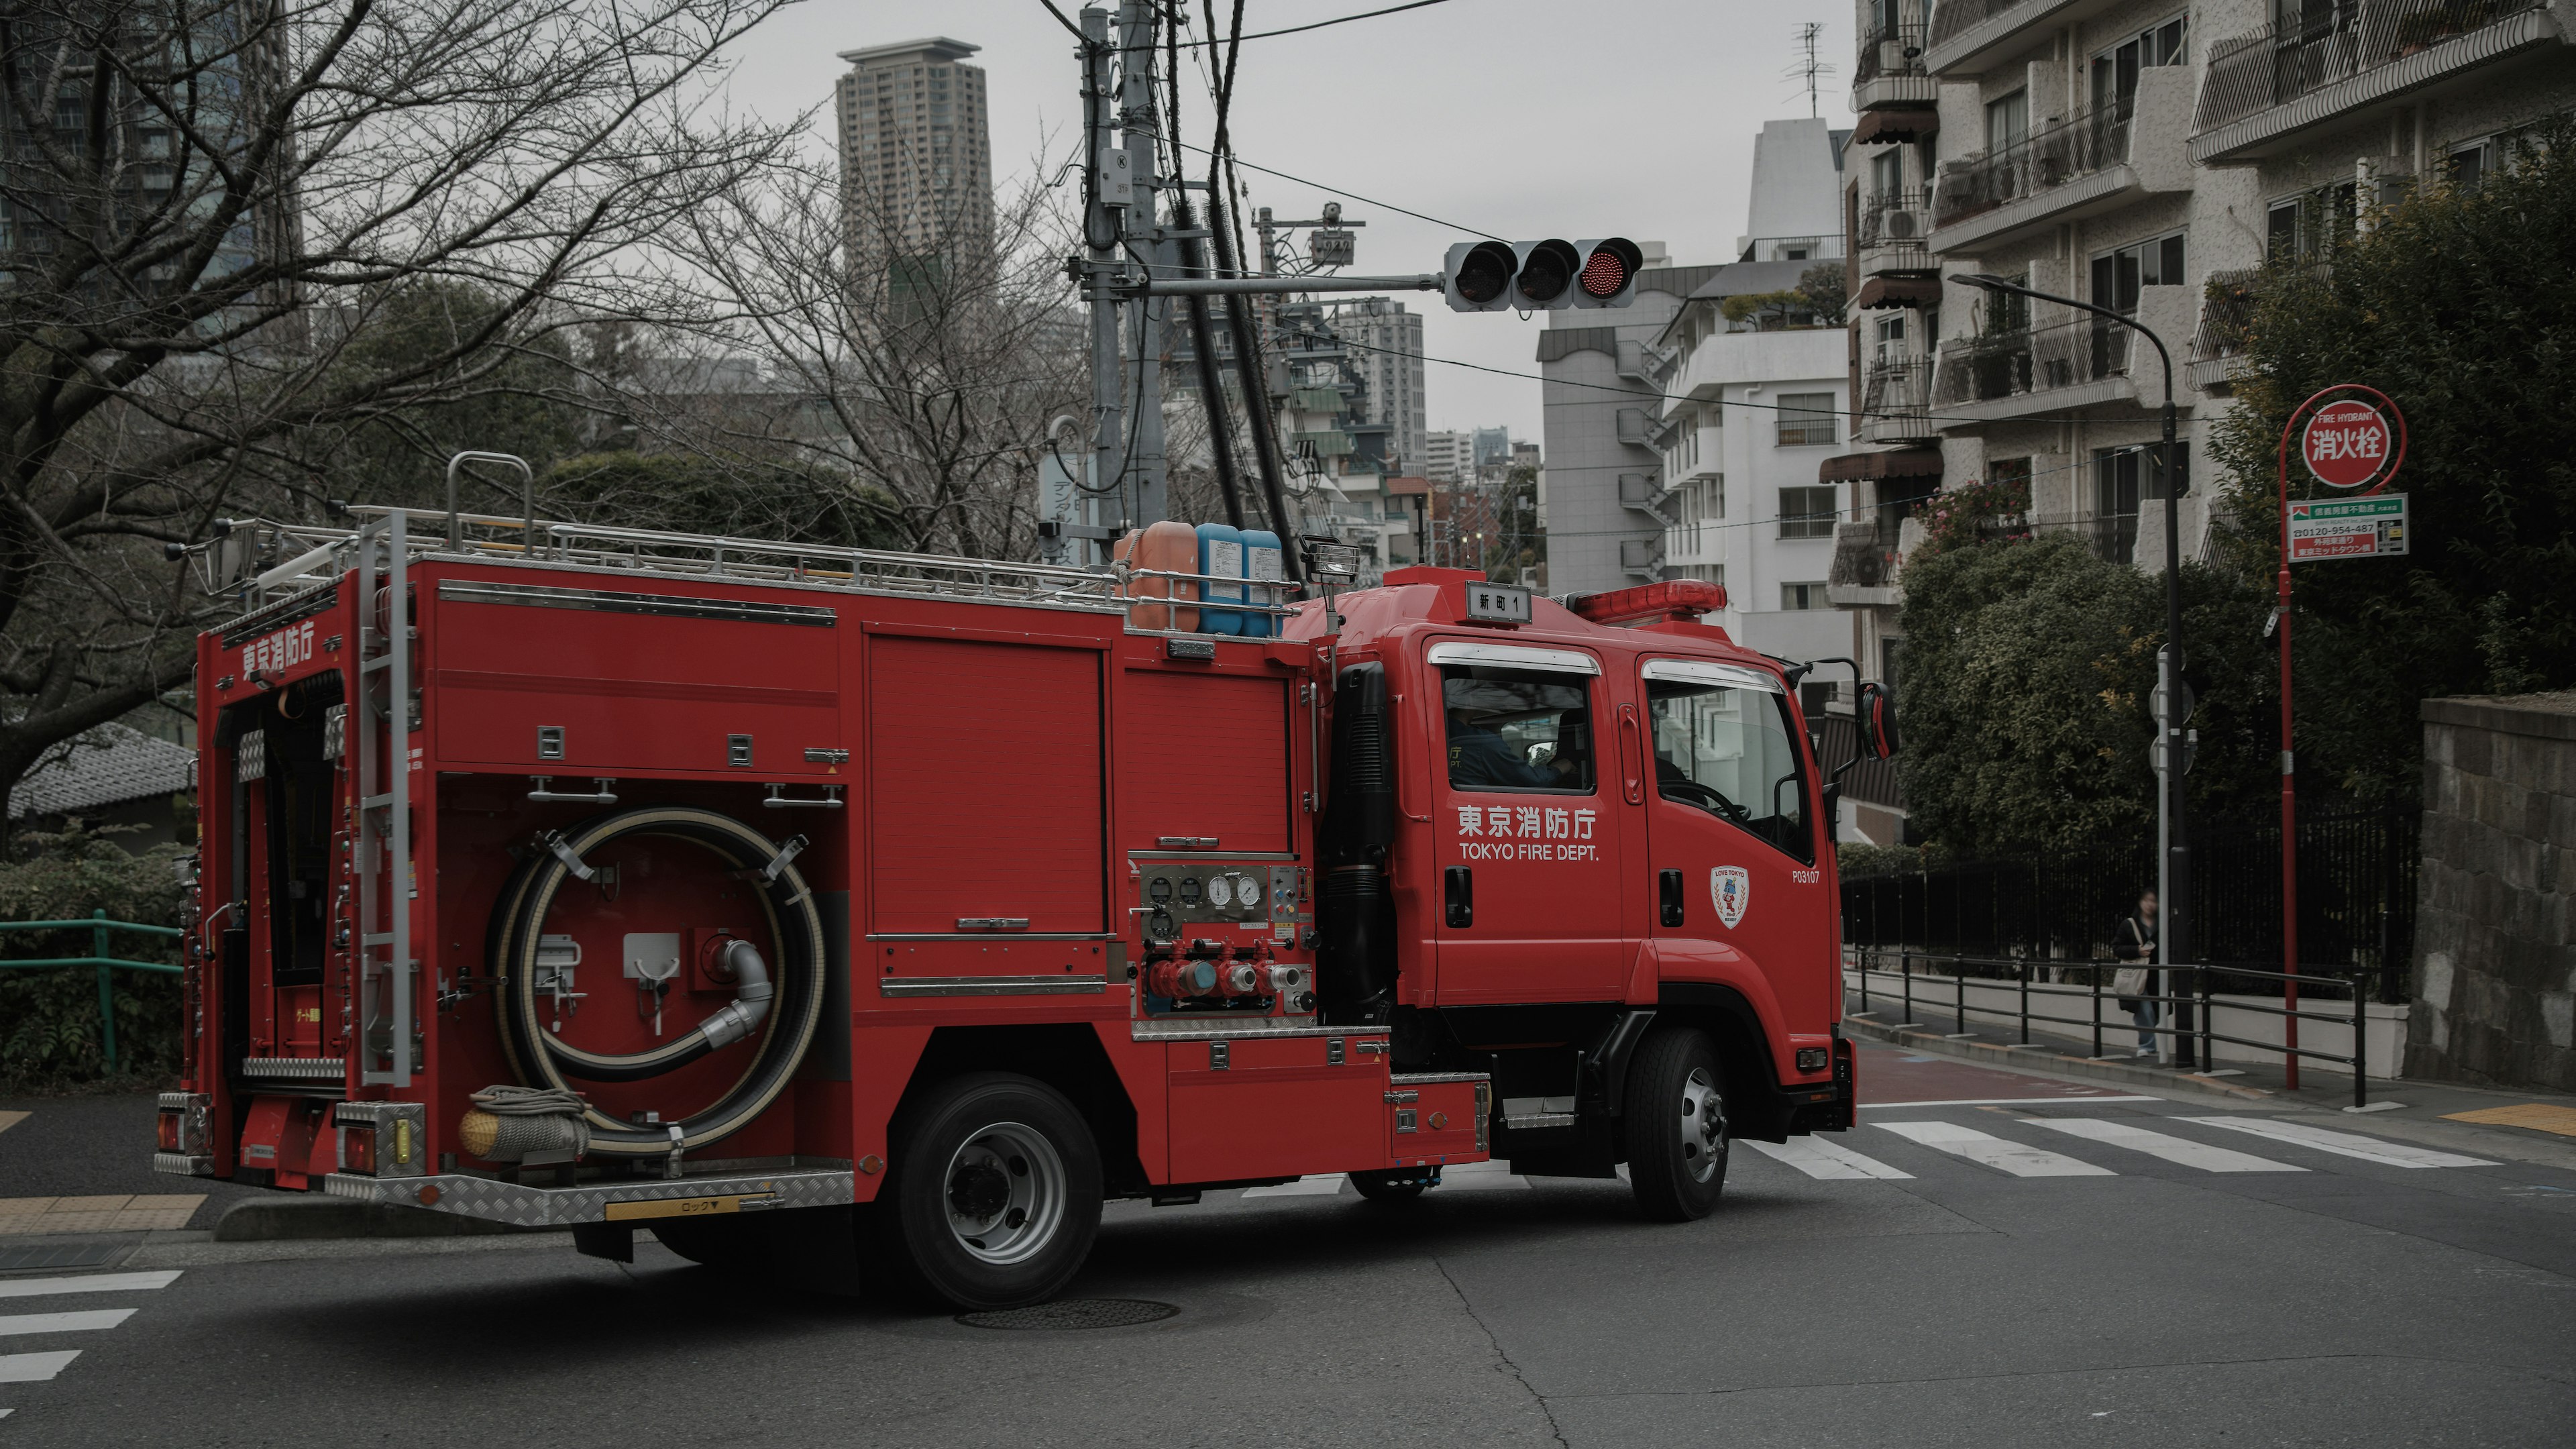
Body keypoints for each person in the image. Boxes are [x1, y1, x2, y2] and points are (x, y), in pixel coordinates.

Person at [1445, 706, 1576, 789]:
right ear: (1468, 699)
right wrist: (1560, 768)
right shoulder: (1481, 742)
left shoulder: (1438, 738)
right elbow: (1530, 781)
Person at [2111, 890, 2159, 1059]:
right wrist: (2137, 950)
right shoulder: (2129, 924)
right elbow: (2117, 948)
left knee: (2156, 1010)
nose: (2150, 904)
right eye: (2147, 900)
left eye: (2154, 901)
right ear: (2140, 902)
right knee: (2144, 1009)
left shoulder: (2163, 924)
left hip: (2157, 974)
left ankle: (2148, 1042)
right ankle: (2146, 1046)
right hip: (2137, 974)